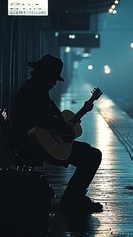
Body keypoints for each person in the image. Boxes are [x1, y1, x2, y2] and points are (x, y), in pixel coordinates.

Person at [10, 54, 103, 214]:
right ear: (40, 75)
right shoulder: (34, 94)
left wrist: (68, 124)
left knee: (87, 151)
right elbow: (42, 118)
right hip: (37, 145)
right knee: (92, 156)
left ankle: (74, 198)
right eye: (51, 78)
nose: (53, 83)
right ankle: (72, 199)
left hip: (34, 142)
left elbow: (53, 119)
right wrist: (63, 125)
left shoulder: (36, 91)